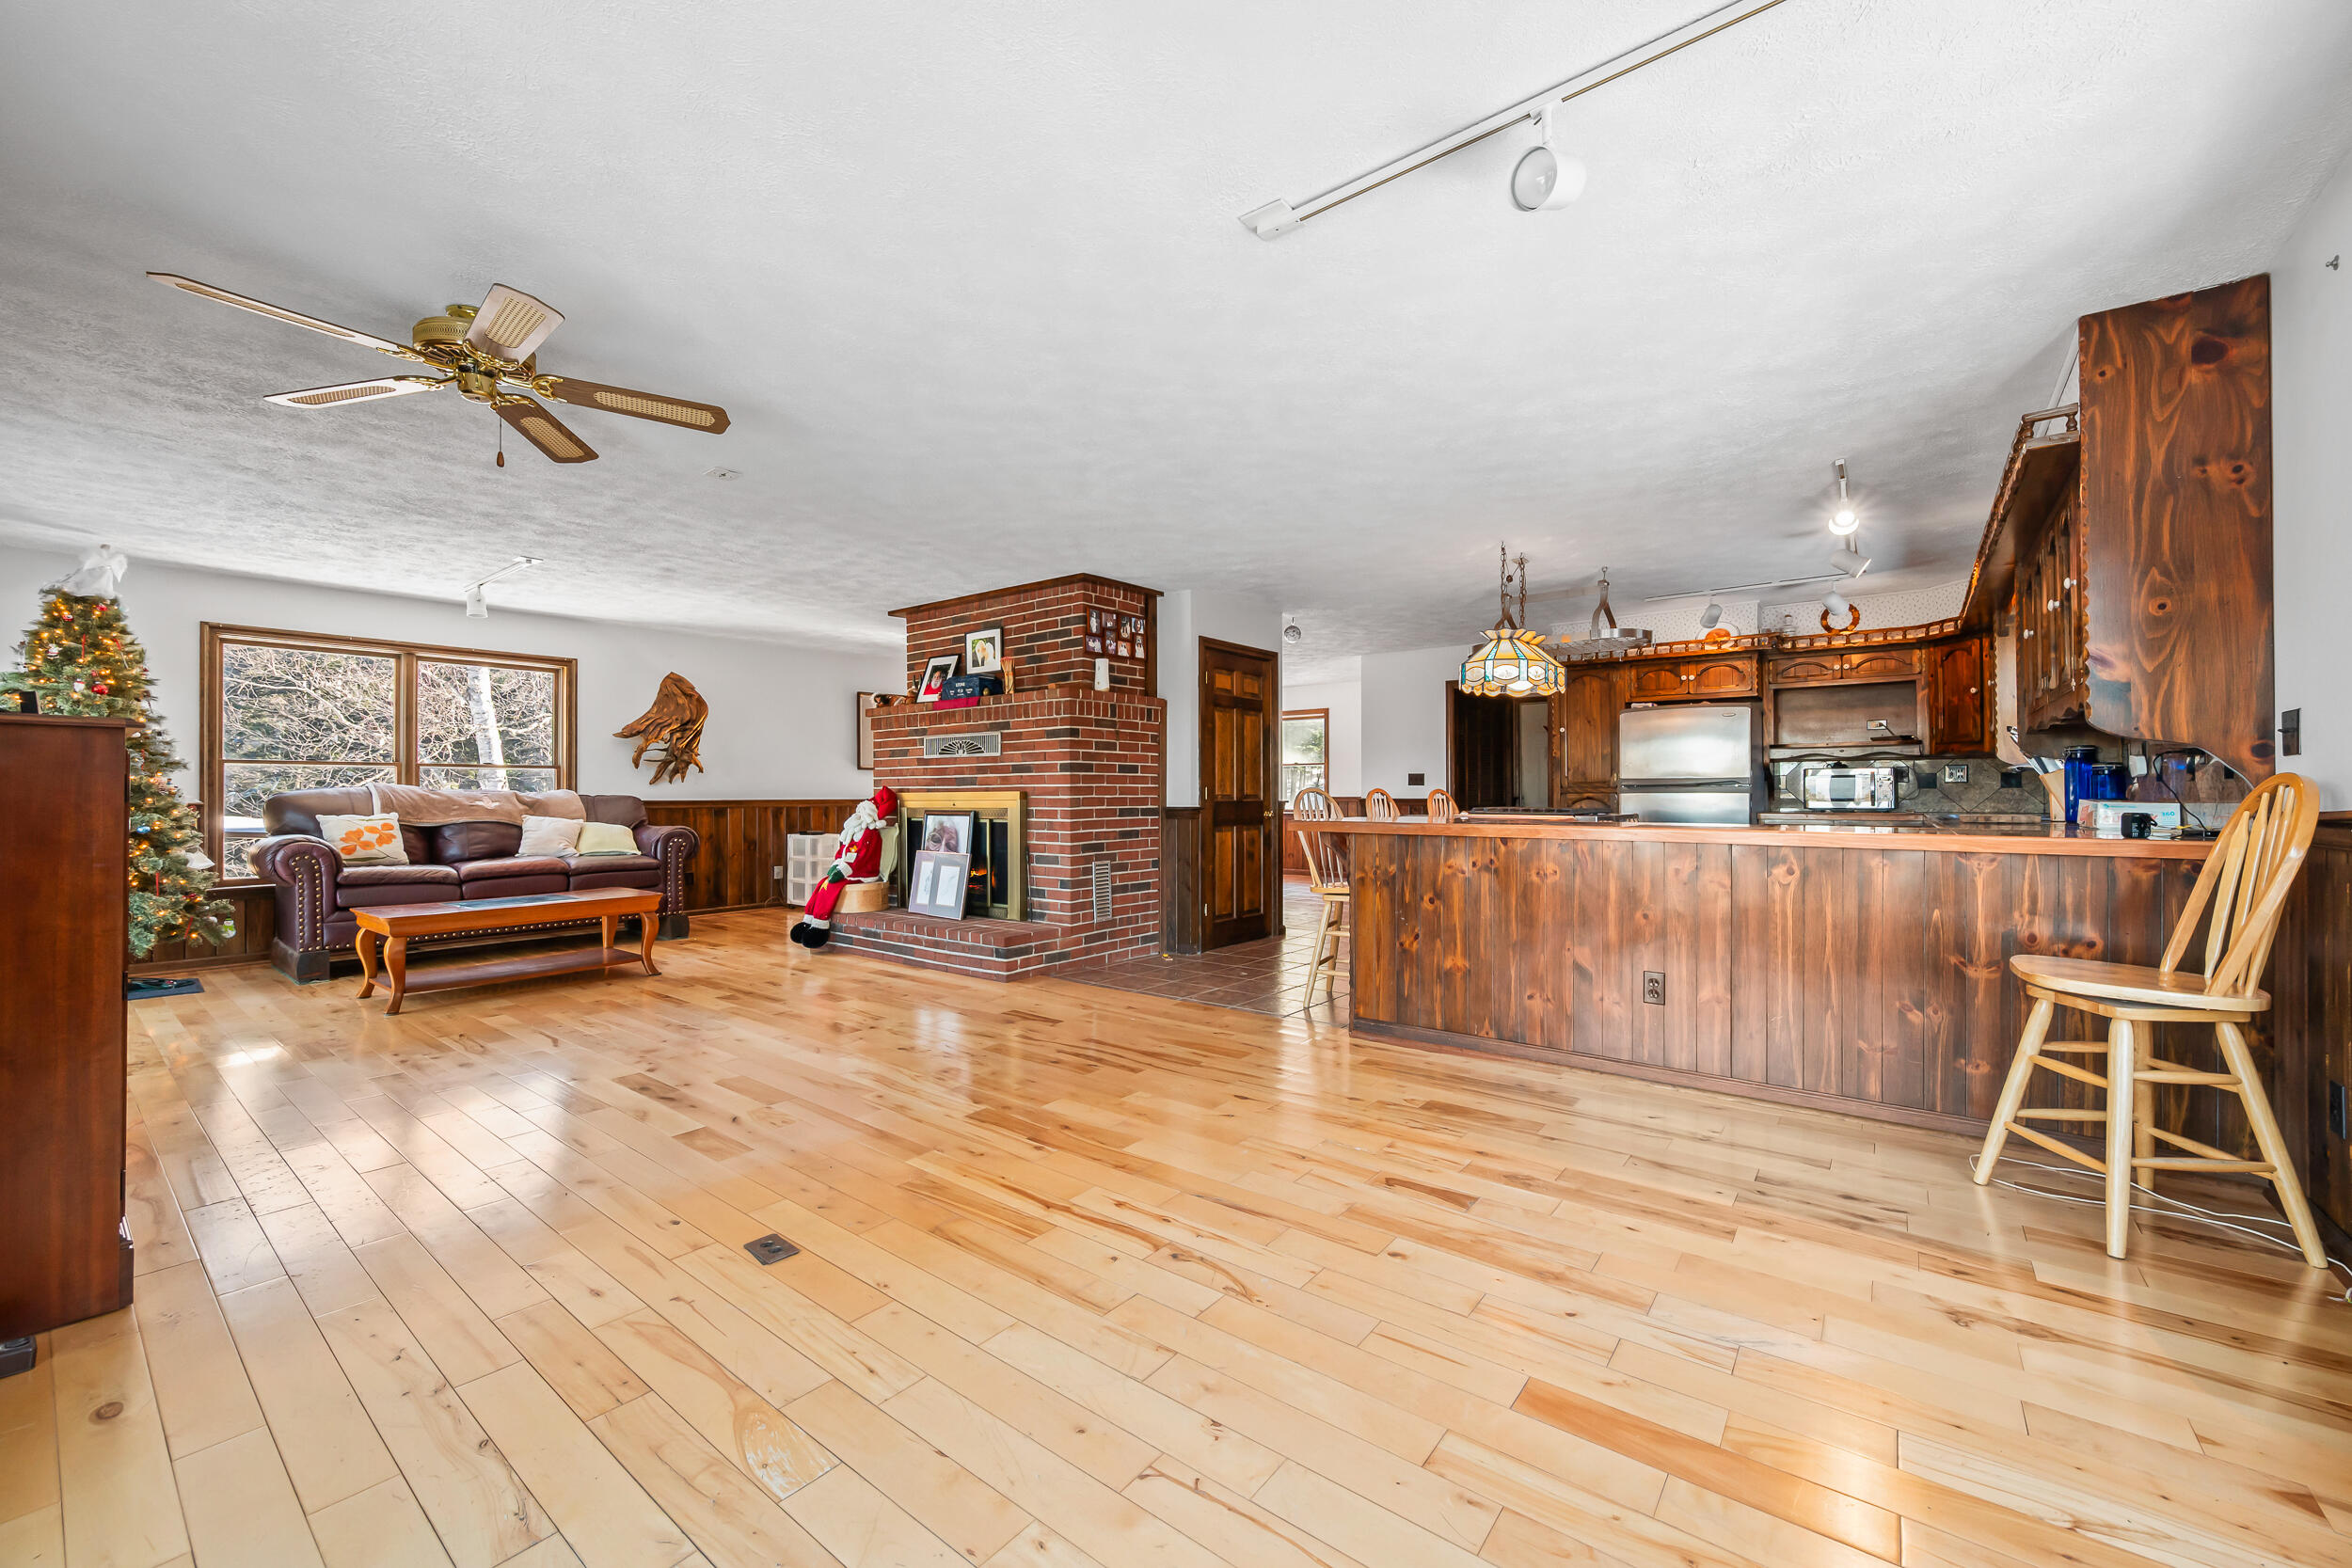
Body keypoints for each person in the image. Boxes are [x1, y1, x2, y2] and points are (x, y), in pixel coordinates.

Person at [790, 784, 897, 948]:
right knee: (822, 883)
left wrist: (845, 870)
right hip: (849, 870)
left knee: (831, 887)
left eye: (862, 812)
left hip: (863, 873)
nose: (858, 815)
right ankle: (808, 920)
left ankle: (820, 926)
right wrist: (837, 865)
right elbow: (843, 852)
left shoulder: (870, 835)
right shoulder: (854, 832)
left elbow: (862, 858)